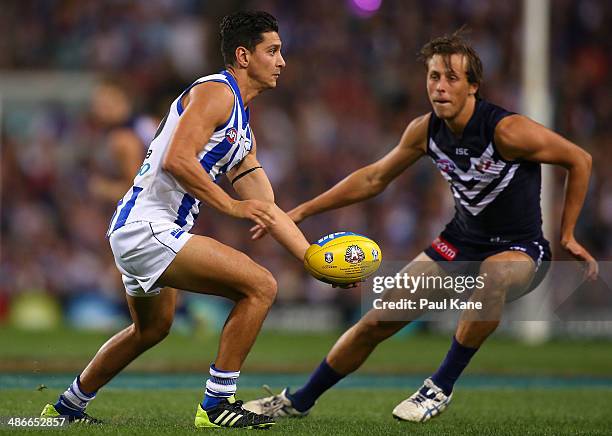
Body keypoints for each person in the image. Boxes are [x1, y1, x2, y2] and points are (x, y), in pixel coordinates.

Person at [244, 30, 598, 422]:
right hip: (458, 243)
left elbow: (579, 159)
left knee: (493, 274)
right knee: (377, 321)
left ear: (473, 86)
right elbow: (373, 179)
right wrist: (303, 211)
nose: (440, 87)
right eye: (433, 77)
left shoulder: (507, 131)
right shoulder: (425, 131)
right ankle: (298, 400)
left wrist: (567, 233)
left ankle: (439, 387)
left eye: (451, 77)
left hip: (520, 250)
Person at [41, 11, 311, 429]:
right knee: (261, 286)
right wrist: (230, 205)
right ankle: (217, 404)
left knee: (151, 330)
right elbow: (177, 159)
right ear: (243, 55)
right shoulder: (216, 91)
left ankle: (65, 407)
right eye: (272, 51)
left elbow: (265, 206)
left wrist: (313, 259)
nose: (281, 61)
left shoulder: (243, 127)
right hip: (148, 227)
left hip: (140, 229)